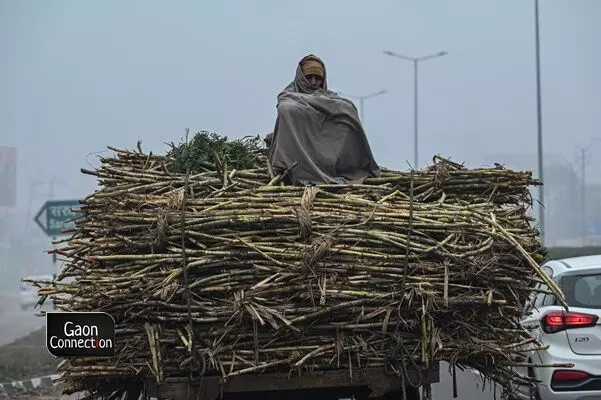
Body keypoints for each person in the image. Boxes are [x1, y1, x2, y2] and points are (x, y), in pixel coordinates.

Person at [267, 54, 381, 185]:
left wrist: (325, 106)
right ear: (301, 78)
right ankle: (302, 170)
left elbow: (344, 107)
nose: (314, 82)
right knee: (286, 109)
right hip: (298, 158)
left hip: (329, 157)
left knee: (347, 108)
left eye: (318, 79)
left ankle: (345, 166)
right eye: (309, 78)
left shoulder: (330, 98)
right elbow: (285, 108)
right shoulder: (288, 97)